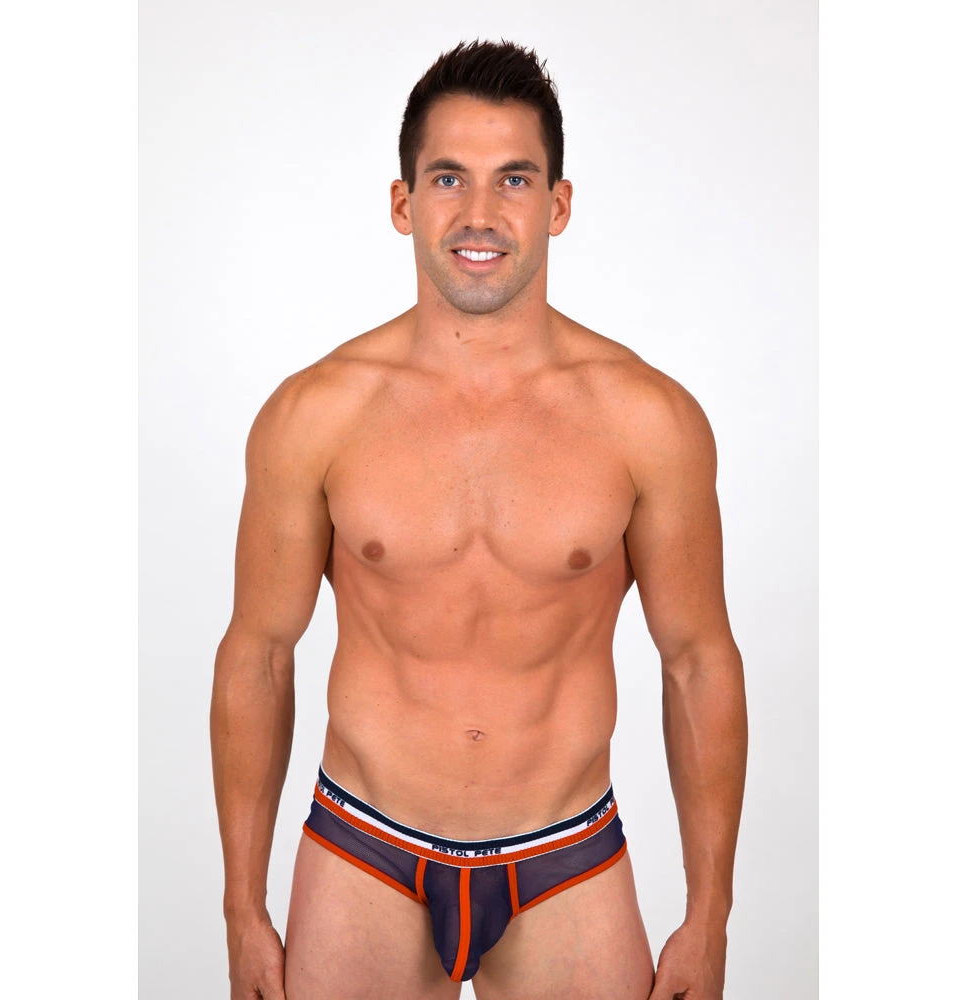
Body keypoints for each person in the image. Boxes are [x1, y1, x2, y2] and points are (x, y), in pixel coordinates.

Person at [210, 39, 747, 1000]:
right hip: (363, 852)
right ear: (403, 202)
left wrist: (710, 917)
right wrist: (241, 909)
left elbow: (697, 660)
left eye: (515, 180)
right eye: (449, 177)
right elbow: (258, 653)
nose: (480, 214)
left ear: (558, 205)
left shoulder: (648, 420)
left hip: (567, 858)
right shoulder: (315, 415)